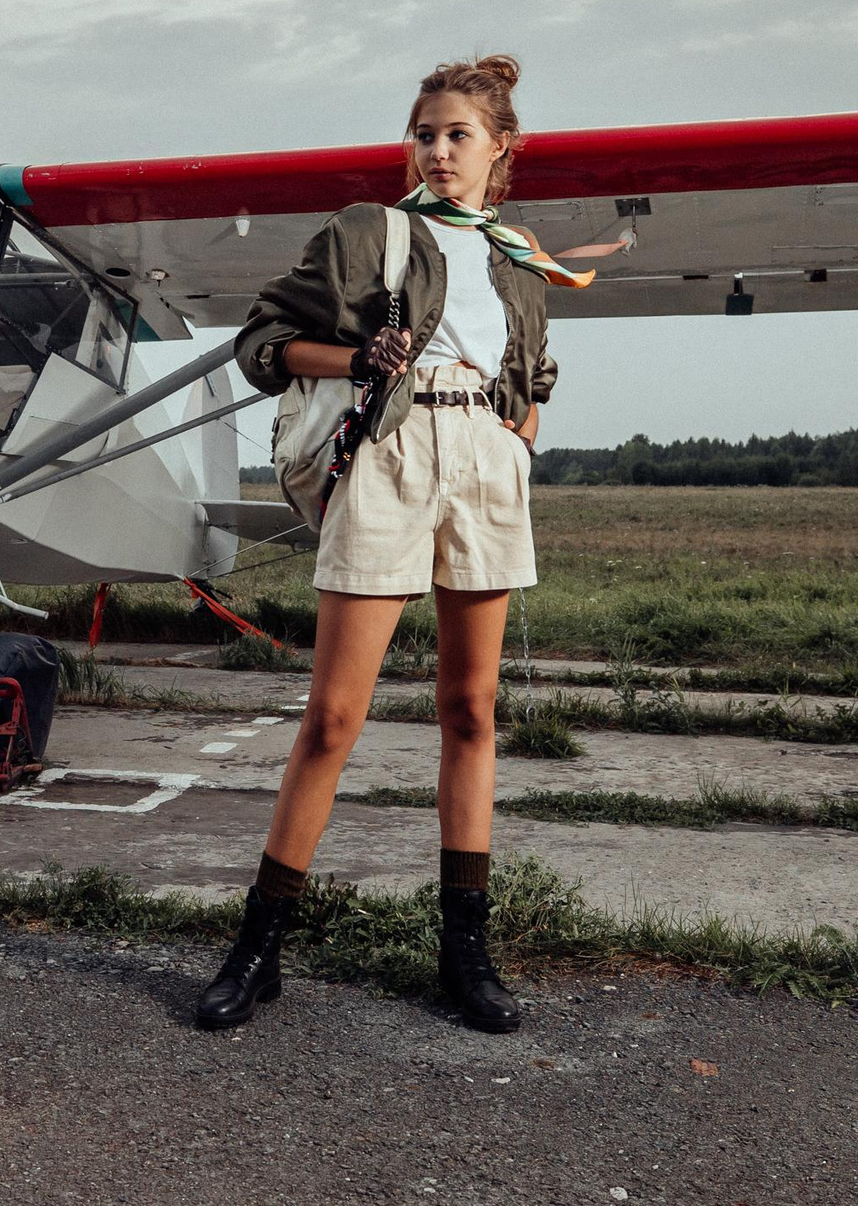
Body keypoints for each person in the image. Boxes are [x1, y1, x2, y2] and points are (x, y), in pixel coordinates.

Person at [197, 53, 593, 1034]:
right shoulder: (370, 232)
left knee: (469, 710)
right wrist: (352, 355)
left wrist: (521, 429)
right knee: (333, 718)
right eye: (424, 132)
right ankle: (257, 950)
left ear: (500, 148)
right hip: (390, 453)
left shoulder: (514, 249)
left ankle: (465, 953)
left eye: (458, 134)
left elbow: (532, 367)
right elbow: (261, 342)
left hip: (485, 463)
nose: (438, 150)